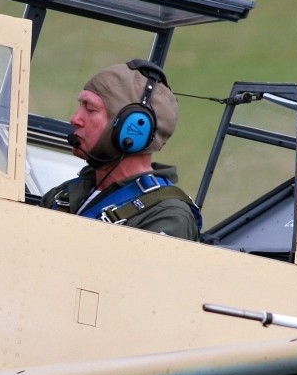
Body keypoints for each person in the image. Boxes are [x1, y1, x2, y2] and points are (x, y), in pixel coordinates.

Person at [40, 60, 201, 240]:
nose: (75, 119)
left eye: (90, 109)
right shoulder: (65, 193)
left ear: (134, 128)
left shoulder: (167, 217)